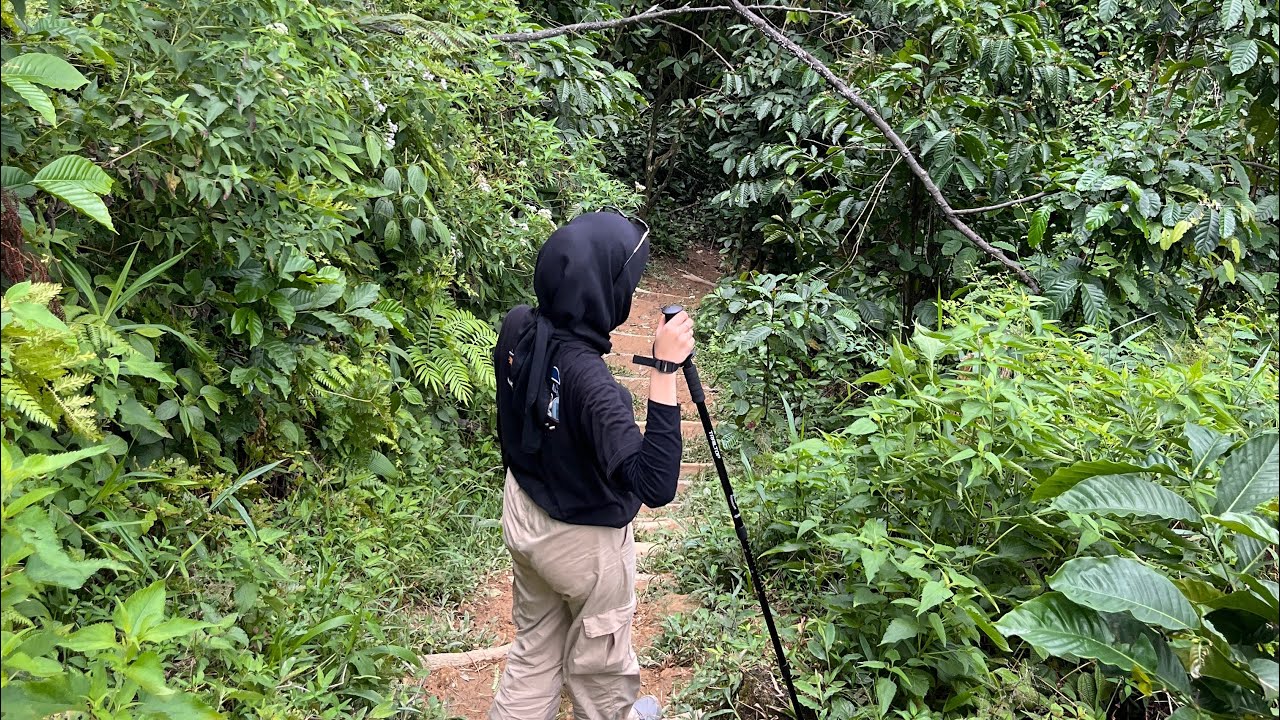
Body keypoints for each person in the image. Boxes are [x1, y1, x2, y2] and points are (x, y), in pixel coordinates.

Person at [488, 209, 695, 720]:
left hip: (524, 515)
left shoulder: (518, 326)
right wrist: (665, 371)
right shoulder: (593, 386)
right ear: (605, 291)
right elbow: (654, 482)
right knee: (600, 672)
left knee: (534, 651)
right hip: (585, 546)